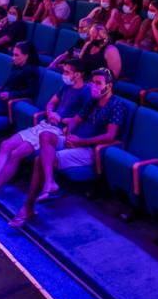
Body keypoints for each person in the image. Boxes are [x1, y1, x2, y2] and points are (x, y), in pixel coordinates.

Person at [9, 68, 127, 227]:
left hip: (90, 150)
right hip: (75, 142)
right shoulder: (93, 100)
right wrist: (68, 135)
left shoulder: (117, 104)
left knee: (39, 160)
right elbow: (76, 120)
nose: (94, 86)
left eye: (98, 83)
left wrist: (80, 142)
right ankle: (49, 183)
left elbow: (110, 136)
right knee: (45, 134)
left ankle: (27, 207)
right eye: (93, 82)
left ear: (109, 85)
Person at [0, 60, 91, 199]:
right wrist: (50, 112)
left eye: (67, 72)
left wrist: (61, 119)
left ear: (78, 74)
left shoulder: (86, 92)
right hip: (45, 123)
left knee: (16, 153)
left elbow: (81, 119)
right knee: (5, 145)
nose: (64, 75)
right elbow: (51, 103)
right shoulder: (66, 87)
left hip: (57, 131)